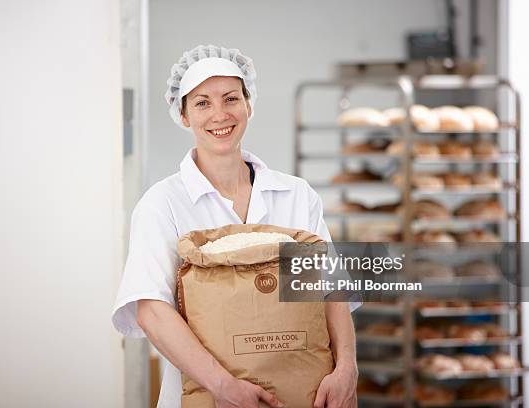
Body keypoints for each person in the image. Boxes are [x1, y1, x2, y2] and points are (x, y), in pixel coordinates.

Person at [113, 45, 360, 408]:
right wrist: (223, 386)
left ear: (249, 105)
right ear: (183, 115)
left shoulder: (295, 195)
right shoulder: (162, 203)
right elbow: (151, 309)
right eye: (202, 103)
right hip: (210, 397)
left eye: (231, 98)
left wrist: (347, 369)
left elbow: (330, 290)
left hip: (305, 395)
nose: (219, 114)